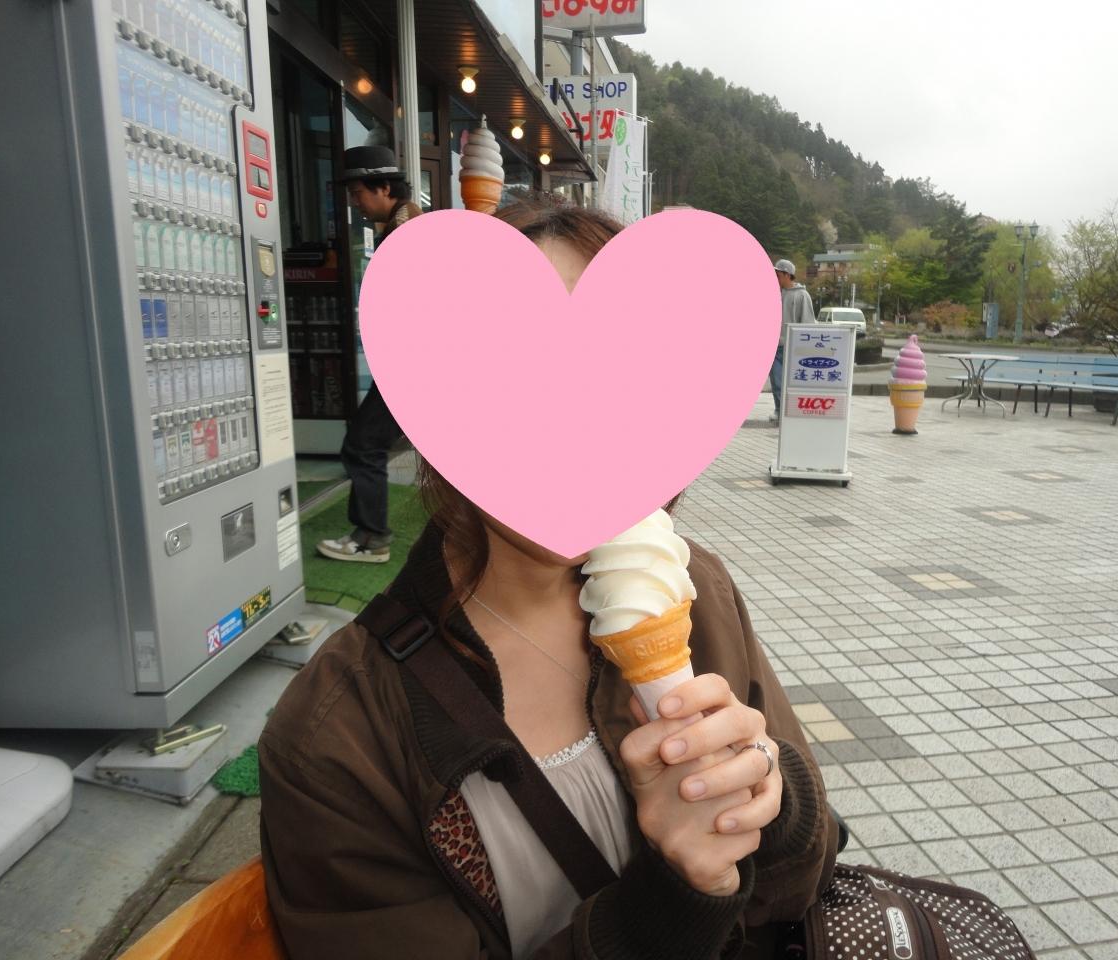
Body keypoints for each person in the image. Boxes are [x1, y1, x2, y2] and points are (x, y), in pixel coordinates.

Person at [260, 199, 835, 960]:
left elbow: (807, 878)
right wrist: (670, 904)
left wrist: (776, 800)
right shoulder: (340, 734)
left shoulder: (695, 589)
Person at [318, 145, 423, 564]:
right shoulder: (405, 223)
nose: (354, 202)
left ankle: (370, 538)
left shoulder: (406, 231)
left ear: (383, 187)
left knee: (363, 445)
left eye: (357, 192)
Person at [767, 259, 815, 421]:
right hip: (775, 347)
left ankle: (791, 412)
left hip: (794, 347)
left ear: (787, 275)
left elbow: (807, 323)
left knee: (793, 382)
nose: (775, 278)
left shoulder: (802, 295)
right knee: (777, 381)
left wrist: (804, 347)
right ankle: (779, 410)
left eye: (778, 275)